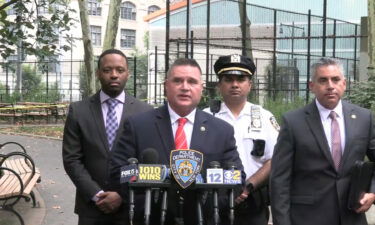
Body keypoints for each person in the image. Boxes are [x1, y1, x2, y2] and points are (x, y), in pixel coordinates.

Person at [110, 58, 244, 225]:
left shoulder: (222, 130)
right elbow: (118, 172)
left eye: (192, 81)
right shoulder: (138, 125)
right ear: (166, 86)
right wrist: (149, 192)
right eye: (178, 81)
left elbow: (237, 178)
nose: (185, 87)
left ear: (201, 88)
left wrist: (208, 204)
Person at [270, 57, 375, 225]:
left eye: (335, 79)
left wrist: (372, 192)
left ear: (344, 84)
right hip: (307, 217)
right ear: (312, 86)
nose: (330, 86)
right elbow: (279, 179)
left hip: (351, 216)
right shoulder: (293, 122)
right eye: (323, 80)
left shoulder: (364, 118)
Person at [62, 49, 153, 225]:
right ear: (98, 73)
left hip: (131, 206)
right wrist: (96, 195)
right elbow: (72, 159)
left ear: (128, 74)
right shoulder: (78, 111)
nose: (113, 75)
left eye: (120, 70)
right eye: (107, 70)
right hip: (91, 207)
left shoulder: (145, 112)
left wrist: (122, 194)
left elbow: (147, 161)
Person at [203, 54, 279, 225]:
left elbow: (275, 158)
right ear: (219, 85)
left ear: (250, 85)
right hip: (213, 200)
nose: (235, 84)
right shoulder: (206, 118)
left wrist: (248, 185)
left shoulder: (265, 118)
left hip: (252, 201)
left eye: (241, 79)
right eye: (228, 79)